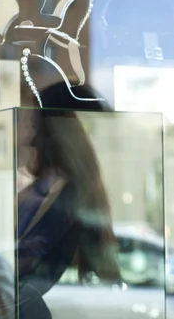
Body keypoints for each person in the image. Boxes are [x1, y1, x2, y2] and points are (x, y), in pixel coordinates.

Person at [17, 82, 120, 318]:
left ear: (50, 133)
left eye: (32, 124)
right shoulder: (46, 193)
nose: (25, 137)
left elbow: (23, 262)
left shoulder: (68, 199)